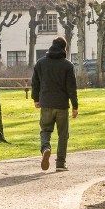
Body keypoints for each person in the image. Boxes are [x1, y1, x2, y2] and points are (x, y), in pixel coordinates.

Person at [30, 36, 79, 172]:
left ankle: (46, 148)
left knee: (45, 130)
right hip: (62, 105)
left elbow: (35, 83)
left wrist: (36, 99)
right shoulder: (68, 65)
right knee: (63, 134)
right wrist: (75, 106)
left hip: (46, 103)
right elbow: (71, 88)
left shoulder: (40, 63)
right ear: (64, 48)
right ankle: (60, 164)